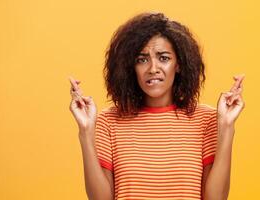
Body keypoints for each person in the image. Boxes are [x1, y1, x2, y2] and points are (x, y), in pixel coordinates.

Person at [69, 12, 244, 200]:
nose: (153, 68)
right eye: (142, 59)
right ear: (131, 66)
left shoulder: (206, 120)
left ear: (178, 64)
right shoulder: (109, 121)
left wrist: (226, 127)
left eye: (164, 58)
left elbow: (216, 198)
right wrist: (85, 132)